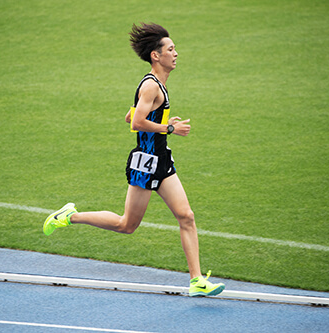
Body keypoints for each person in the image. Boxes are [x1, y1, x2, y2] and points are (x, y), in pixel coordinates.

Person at [43, 23, 224, 297]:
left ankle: (196, 280)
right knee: (127, 225)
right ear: (156, 55)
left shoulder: (157, 84)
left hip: (161, 159)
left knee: (186, 216)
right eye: (171, 49)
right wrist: (170, 128)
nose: (176, 53)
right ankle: (70, 216)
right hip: (145, 163)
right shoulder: (152, 86)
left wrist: (161, 119)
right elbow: (137, 122)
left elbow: (132, 116)